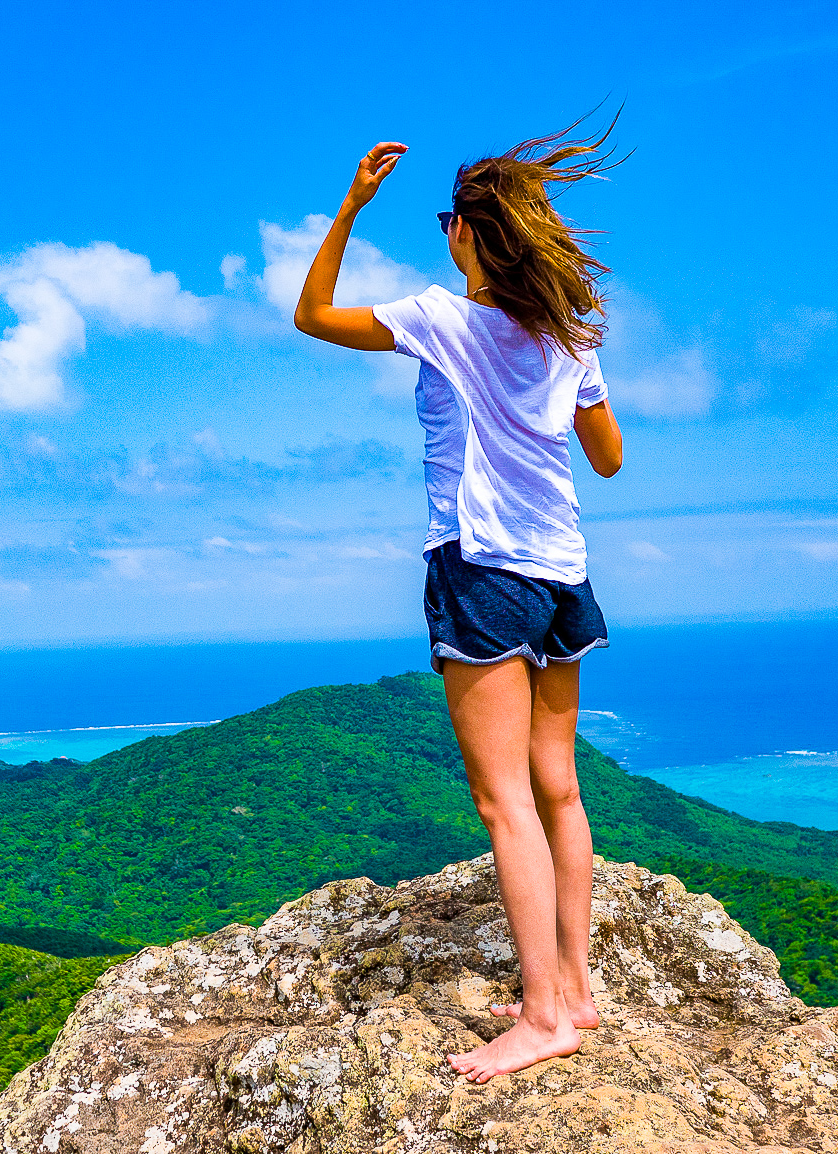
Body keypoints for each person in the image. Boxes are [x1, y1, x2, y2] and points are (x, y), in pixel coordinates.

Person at [292, 126, 625, 1083]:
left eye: (449, 220)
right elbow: (605, 457)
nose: (445, 234)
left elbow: (312, 313)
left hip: (480, 566)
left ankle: (545, 1016)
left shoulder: (442, 319)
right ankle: (577, 989)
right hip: (562, 572)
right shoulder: (573, 332)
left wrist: (352, 206)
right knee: (558, 785)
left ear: (475, 236)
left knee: (501, 798)